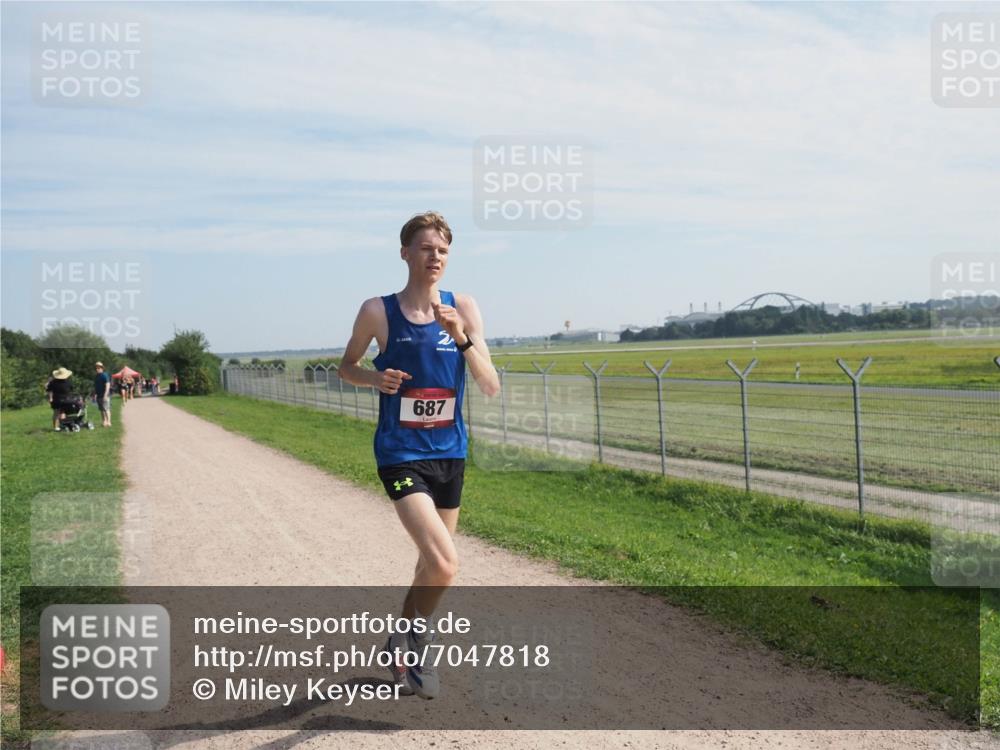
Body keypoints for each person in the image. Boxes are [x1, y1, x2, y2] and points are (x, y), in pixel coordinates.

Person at [340, 211, 500, 700]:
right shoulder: (376, 311)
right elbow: (347, 366)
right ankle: (412, 645)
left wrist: (461, 336)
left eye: (444, 250)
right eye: (427, 248)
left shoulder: (463, 307)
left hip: (450, 452)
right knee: (446, 563)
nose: (436, 257)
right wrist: (373, 377)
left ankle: (401, 637)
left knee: (430, 564)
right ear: (406, 252)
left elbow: (490, 385)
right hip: (400, 452)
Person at [92, 362, 112, 428]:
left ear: (102, 368)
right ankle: (104, 421)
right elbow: (95, 386)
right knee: (101, 409)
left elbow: (107, 385)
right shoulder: (96, 376)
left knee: (106, 409)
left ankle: (109, 422)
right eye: (96, 368)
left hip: (104, 395)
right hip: (99, 395)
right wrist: (94, 394)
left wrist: (105, 395)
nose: (97, 369)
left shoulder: (104, 375)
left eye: (98, 368)